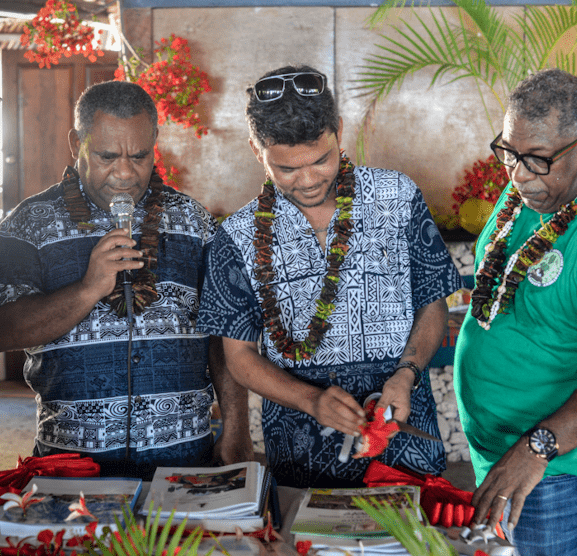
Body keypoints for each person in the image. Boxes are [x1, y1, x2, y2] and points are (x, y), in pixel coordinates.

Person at [197, 65, 463, 488]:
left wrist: (406, 373)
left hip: (401, 421)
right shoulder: (237, 236)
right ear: (255, 150)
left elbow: (431, 303)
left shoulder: (398, 196)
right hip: (299, 438)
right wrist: (312, 400)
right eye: (286, 169)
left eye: (321, 159)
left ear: (338, 130)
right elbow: (240, 357)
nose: (308, 180)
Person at [0, 80, 253, 480]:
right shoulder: (27, 226)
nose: (125, 173)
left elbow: (222, 337)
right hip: (71, 464)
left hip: (182, 460)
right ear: (77, 144)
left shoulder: (196, 224)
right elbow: (0, 332)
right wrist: (87, 289)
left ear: (155, 141)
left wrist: (236, 427)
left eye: (140, 155)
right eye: (107, 155)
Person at [454, 68, 577, 555]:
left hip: (564, 472)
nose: (519, 173)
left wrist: (536, 448)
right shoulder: (532, 186)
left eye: (537, 159)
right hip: (505, 456)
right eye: (509, 153)